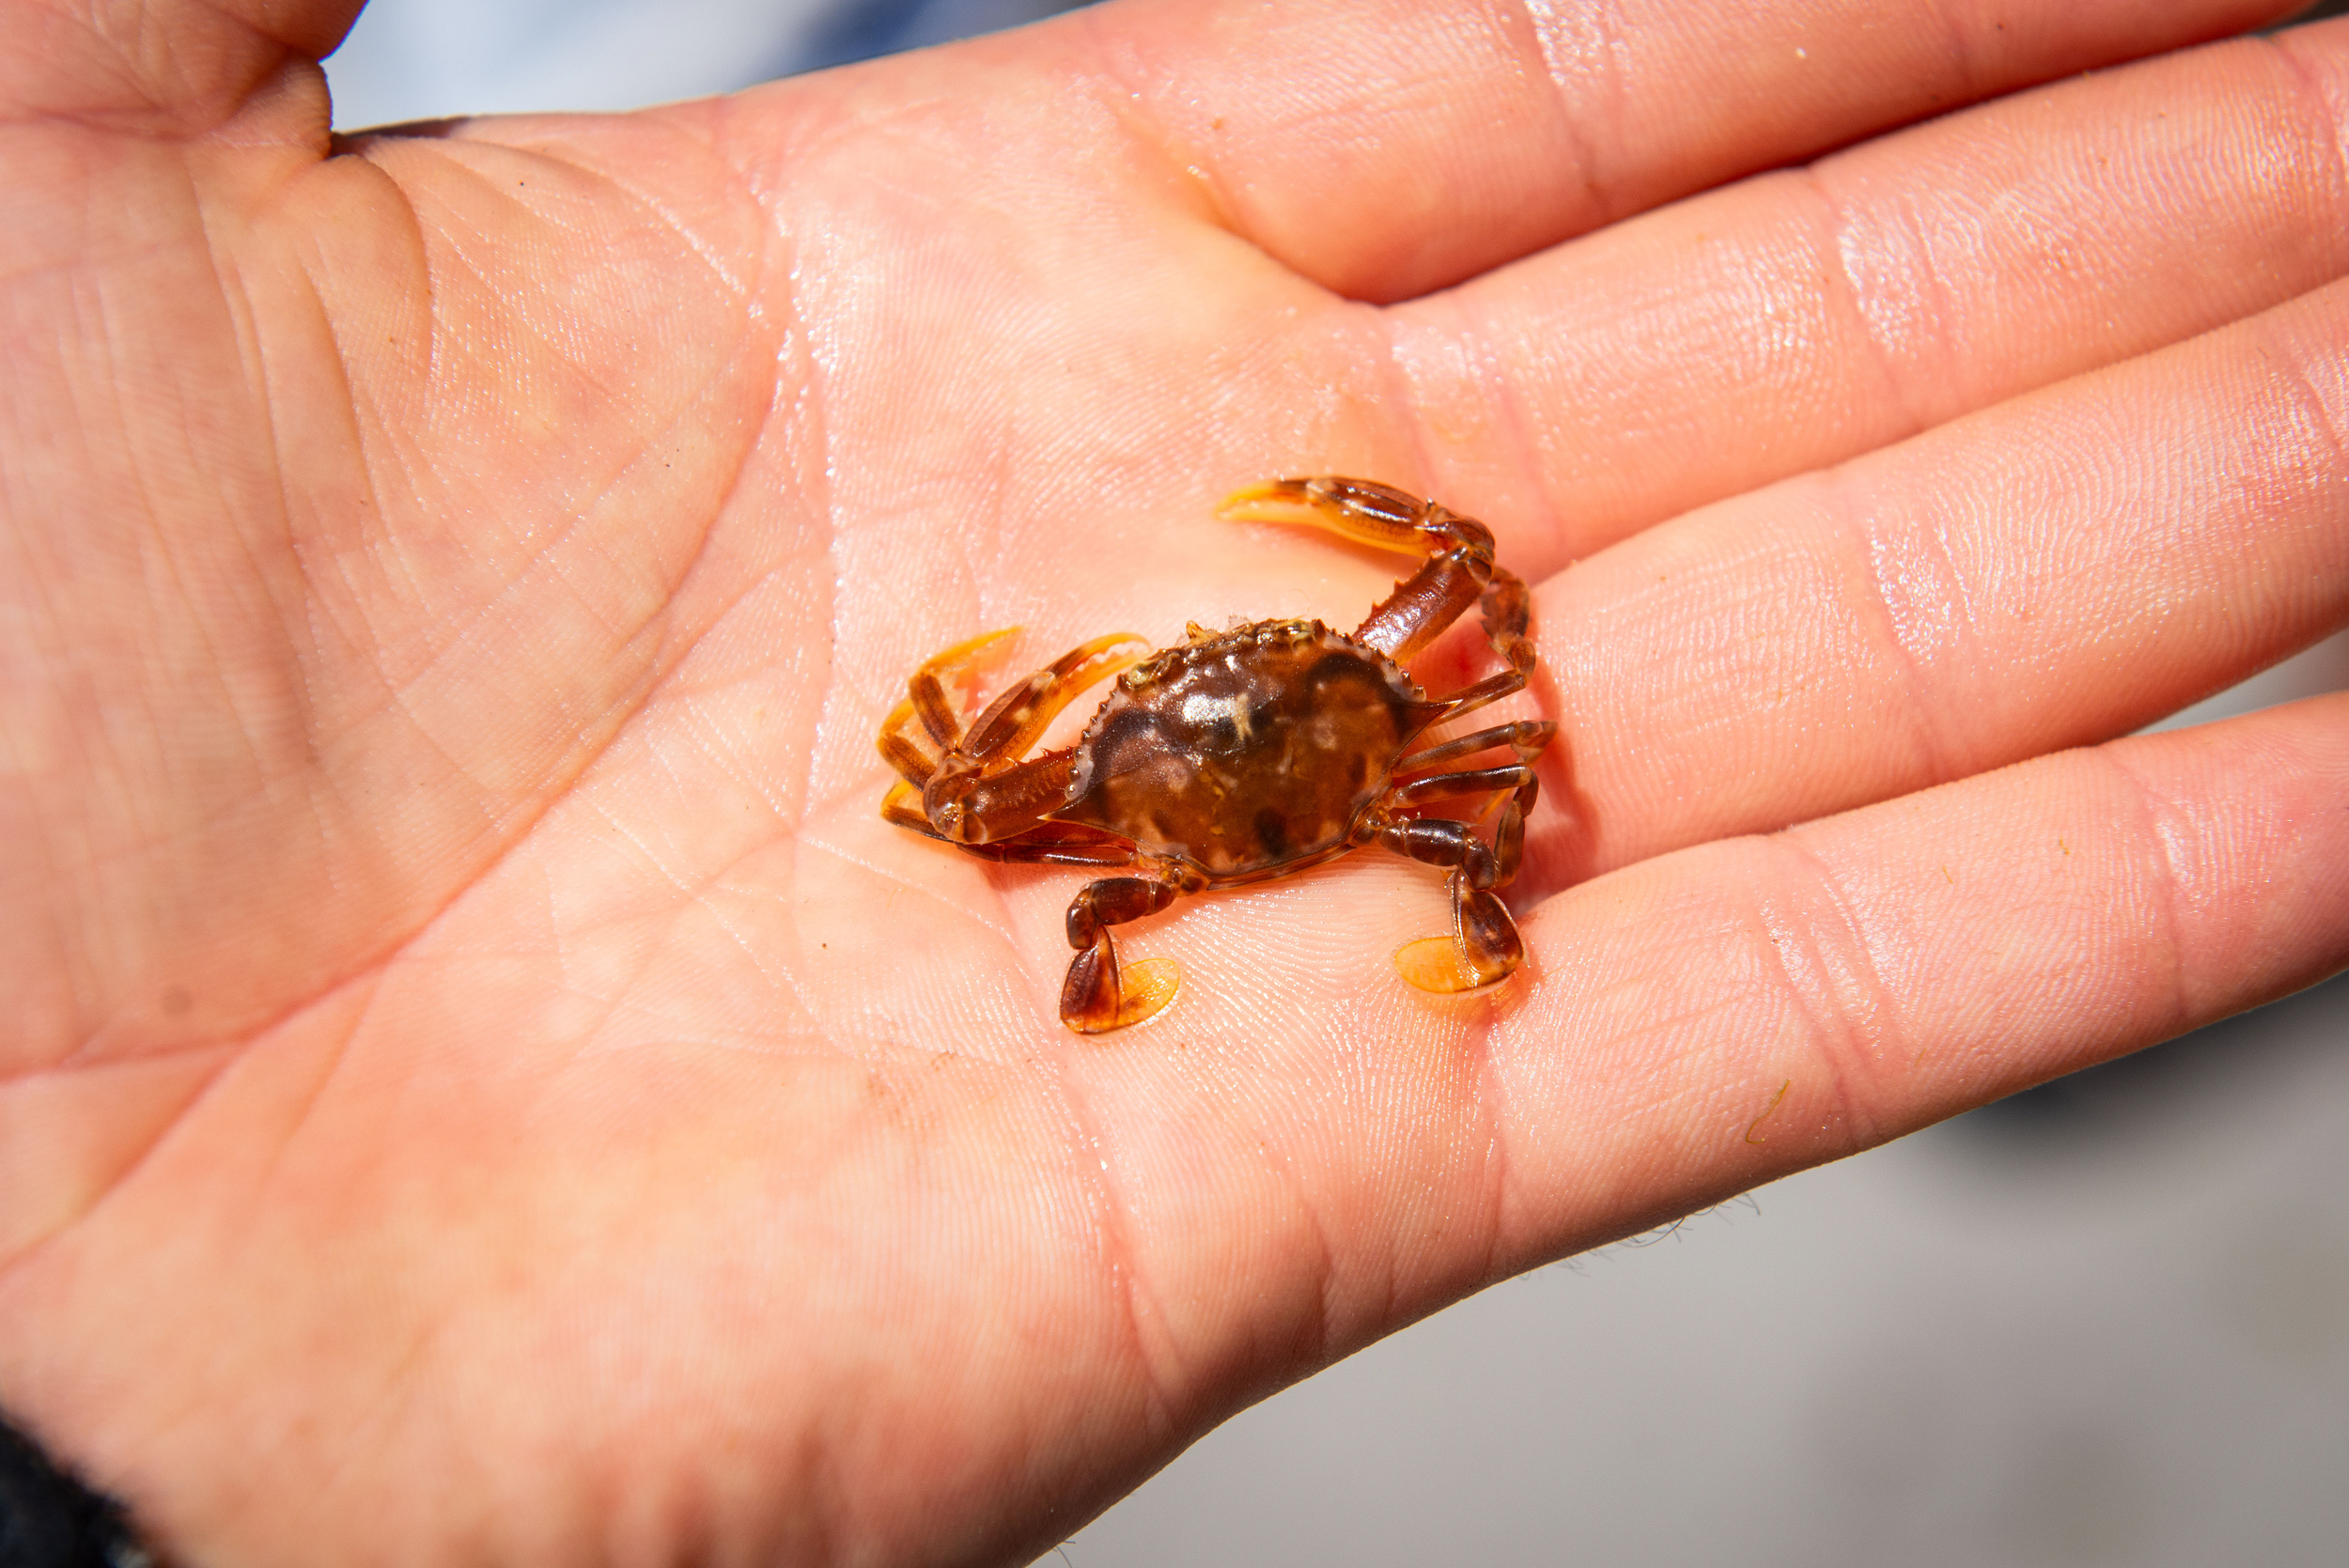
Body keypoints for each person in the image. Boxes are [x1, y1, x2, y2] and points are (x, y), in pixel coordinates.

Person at [3, 0, 2344, 1562]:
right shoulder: (1393, 722)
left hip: (1188, 797)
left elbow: (990, 776)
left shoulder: (1110, 833)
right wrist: (1439, 873)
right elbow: (1463, 634)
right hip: (1325, 780)